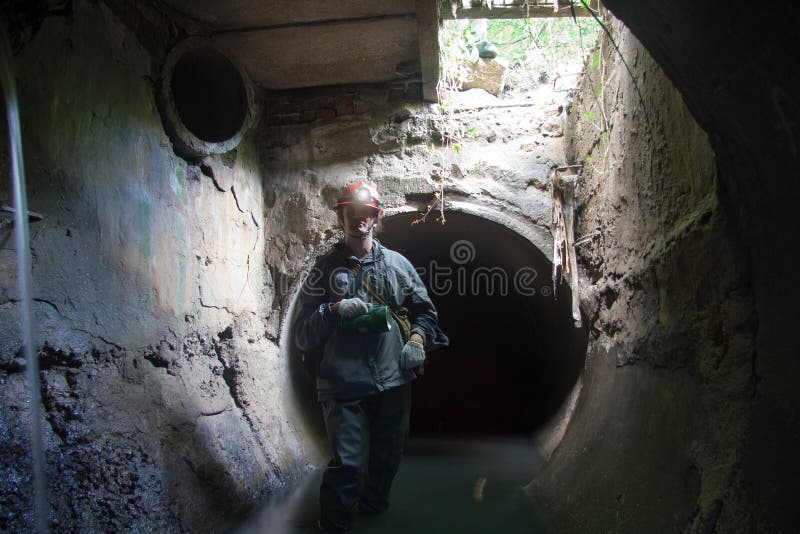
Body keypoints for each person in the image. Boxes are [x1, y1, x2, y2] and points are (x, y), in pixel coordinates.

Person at [294, 181, 448, 531]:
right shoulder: (323, 271)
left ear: (377, 218)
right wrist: (332, 309)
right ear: (341, 217)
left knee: (387, 457)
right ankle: (333, 525)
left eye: (366, 213)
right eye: (351, 212)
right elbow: (303, 335)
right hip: (342, 382)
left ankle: (374, 512)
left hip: (393, 378)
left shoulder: (398, 265)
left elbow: (426, 312)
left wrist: (419, 341)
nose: (358, 219)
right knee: (347, 464)